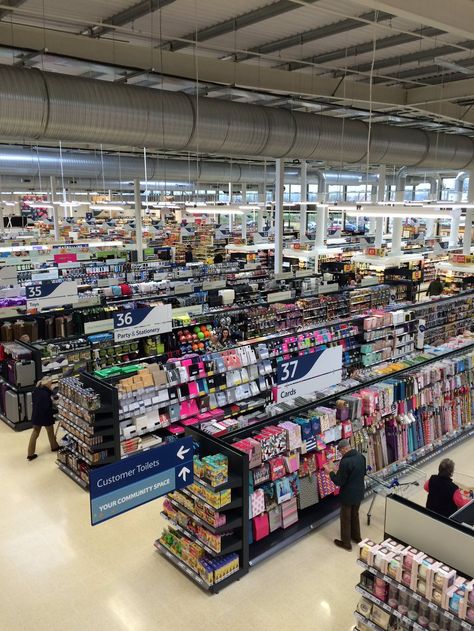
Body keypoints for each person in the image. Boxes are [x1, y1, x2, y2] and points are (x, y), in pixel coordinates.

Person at [324, 439, 366, 551]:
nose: (341, 453)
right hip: (359, 491)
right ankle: (357, 537)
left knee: (346, 518)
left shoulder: (345, 461)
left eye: (340, 451)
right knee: (355, 515)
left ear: (344, 449)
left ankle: (346, 543)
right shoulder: (361, 457)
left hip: (348, 494)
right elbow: (361, 473)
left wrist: (331, 473)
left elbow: (339, 481)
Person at [27, 378, 59, 461]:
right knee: (50, 431)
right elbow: (46, 407)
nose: (51, 385)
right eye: (51, 383)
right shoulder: (45, 394)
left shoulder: (37, 390)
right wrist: (56, 410)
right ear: (46, 384)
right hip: (45, 415)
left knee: (35, 432)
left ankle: (30, 454)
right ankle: (54, 446)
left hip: (36, 414)